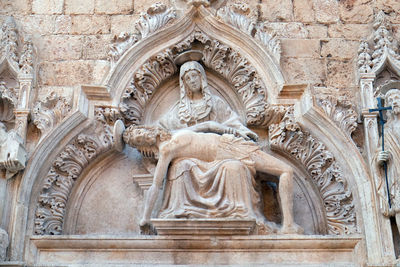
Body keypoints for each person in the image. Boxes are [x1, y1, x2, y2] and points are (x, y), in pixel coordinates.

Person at [122, 125, 303, 234]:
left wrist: (233, 129)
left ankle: (288, 224)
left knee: (285, 171)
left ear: (149, 129)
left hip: (230, 143)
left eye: (141, 131)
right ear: (143, 146)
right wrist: (145, 217)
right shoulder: (166, 150)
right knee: (285, 170)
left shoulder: (175, 133)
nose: (143, 135)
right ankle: (288, 225)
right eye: (139, 139)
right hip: (227, 153)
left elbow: (208, 124)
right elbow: (156, 184)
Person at [373, 89, 400, 237]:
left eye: (397, 98)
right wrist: (379, 158)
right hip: (395, 172)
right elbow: (379, 151)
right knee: (398, 207)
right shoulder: (387, 130)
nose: (394, 102)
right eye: (390, 100)